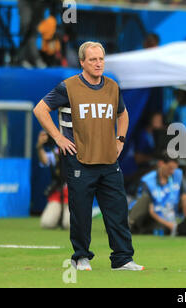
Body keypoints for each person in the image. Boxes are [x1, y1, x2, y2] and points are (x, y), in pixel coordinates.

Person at [33, 41, 144, 271]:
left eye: (101, 59)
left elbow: (123, 115)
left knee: (117, 212)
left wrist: (120, 140)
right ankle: (80, 258)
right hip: (79, 159)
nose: (98, 63)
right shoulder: (68, 87)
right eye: (92, 59)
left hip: (109, 160)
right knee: (81, 213)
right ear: (82, 62)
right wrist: (58, 138)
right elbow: (40, 109)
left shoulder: (112, 87)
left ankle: (123, 259)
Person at [128, 153, 186, 235]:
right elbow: (149, 210)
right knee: (145, 199)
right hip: (150, 216)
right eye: (170, 168)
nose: (172, 172)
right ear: (161, 164)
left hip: (169, 216)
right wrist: (171, 226)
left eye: (174, 168)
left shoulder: (178, 175)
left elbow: (184, 198)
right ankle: (128, 226)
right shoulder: (148, 181)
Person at [37, 130, 70, 230]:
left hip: (73, 194)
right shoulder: (56, 153)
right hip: (58, 193)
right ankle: (60, 215)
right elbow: (45, 161)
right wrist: (39, 146)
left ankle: (83, 213)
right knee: (47, 223)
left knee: (68, 224)